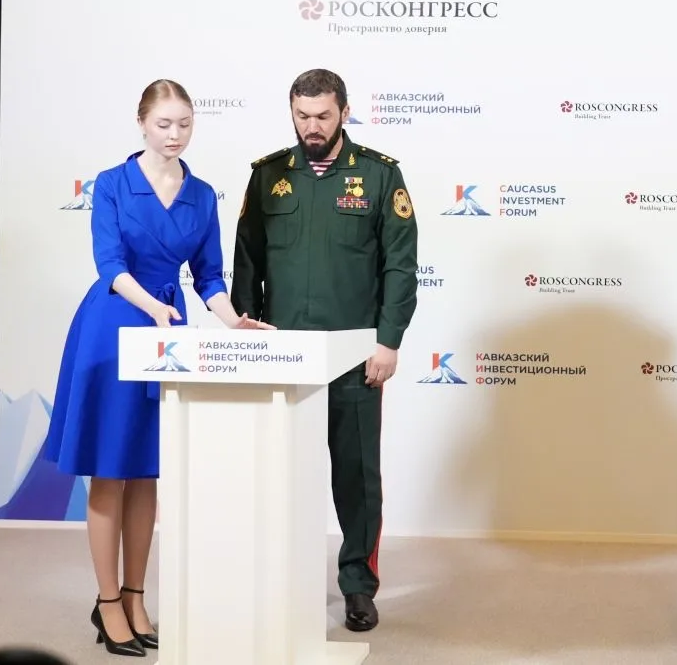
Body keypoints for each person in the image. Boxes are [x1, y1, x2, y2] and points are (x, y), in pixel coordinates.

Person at [40, 79, 274, 658]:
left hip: (168, 333)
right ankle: (107, 602)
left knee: (146, 472)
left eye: (184, 124)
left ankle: (136, 596)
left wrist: (233, 320)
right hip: (115, 326)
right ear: (142, 122)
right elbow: (110, 264)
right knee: (109, 470)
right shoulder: (112, 183)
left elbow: (209, 276)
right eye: (164, 124)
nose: (175, 135)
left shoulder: (203, 194)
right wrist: (153, 308)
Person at [231, 68, 418, 633]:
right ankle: (277, 580)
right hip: (282, 355)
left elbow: (399, 265)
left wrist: (388, 341)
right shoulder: (268, 176)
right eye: (302, 116)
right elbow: (247, 261)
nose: (311, 126)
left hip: (355, 356)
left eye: (322, 116)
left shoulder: (379, 175)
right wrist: (246, 331)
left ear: (344, 112)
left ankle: (358, 585)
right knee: (278, 475)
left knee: (356, 477)